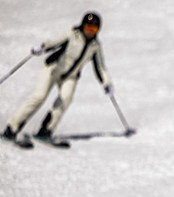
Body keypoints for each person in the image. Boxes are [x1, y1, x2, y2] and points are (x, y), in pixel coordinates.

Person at [2, 12, 113, 148]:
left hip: (70, 76)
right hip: (52, 70)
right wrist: (42, 47)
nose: (90, 32)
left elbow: (100, 68)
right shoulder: (72, 35)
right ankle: (11, 128)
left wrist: (106, 83)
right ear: (82, 26)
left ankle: (46, 130)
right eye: (88, 28)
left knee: (65, 99)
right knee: (39, 97)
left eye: (94, 29)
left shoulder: (95, 46)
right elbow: (53, 42)